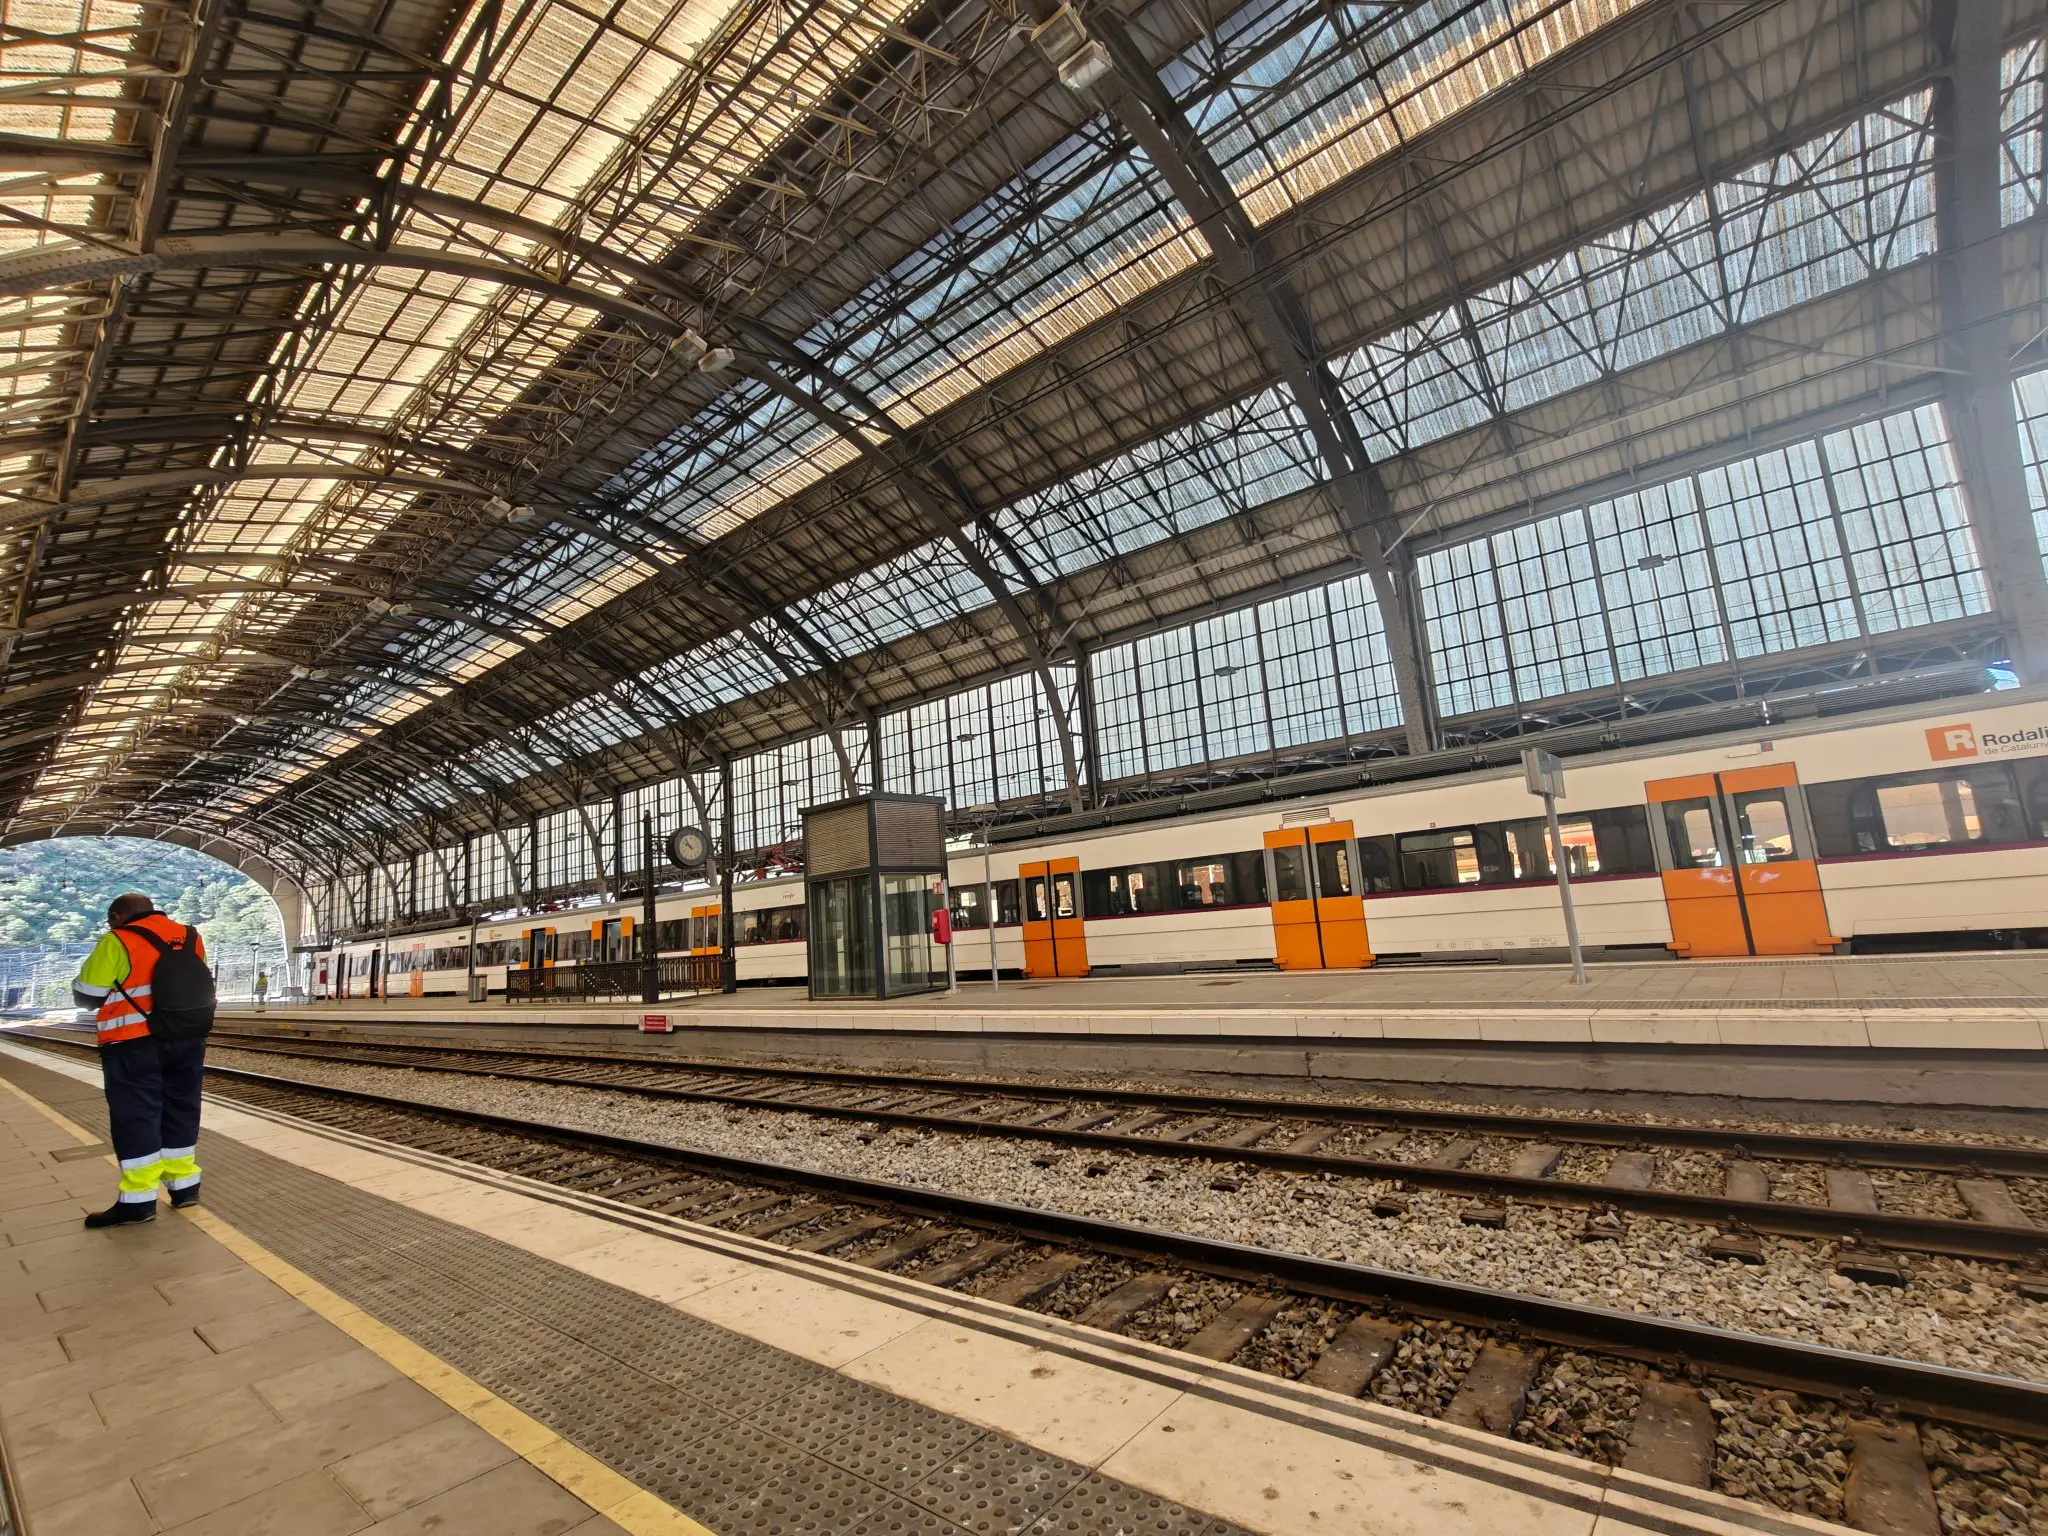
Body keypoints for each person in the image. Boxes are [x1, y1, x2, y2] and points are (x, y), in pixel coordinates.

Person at [70, 893, 208, 1227]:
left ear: (117, 916)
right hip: (187, 1038)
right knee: (181, 1108)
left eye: (110, 920)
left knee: (137, 1115)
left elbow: (88, 994)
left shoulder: (118, 939)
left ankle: (138, 1201)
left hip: (134, 1043)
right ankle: (184, 1187)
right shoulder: (190, 936)